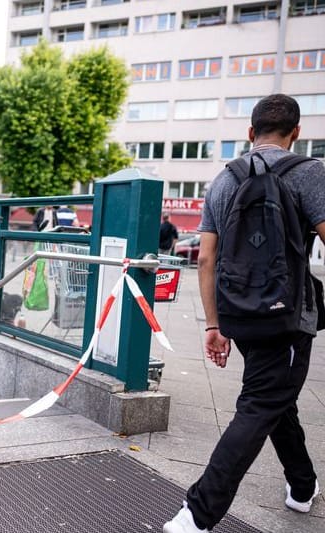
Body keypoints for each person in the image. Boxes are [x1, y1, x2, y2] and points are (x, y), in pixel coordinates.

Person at [164, 94, 325, 533]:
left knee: (276, 398)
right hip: (289, 319)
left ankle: (302, 487)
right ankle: (196, 514)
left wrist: (215, 325)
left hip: (241, 316)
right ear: (296, 132)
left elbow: (205, 260)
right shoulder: (310, 173)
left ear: (250, 134)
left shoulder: (223, 180)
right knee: (261, 403)